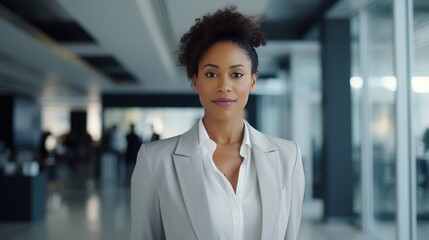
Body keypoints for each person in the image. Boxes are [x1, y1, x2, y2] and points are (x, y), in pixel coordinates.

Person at [131, 6, 305, 240]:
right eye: (211, 74)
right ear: (196, 81)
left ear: (252, 81)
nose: (224, 86)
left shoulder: (287, 157)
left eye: (236, 74)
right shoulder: (155, 161)